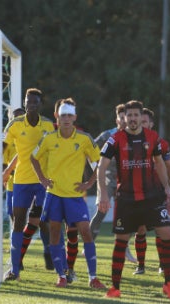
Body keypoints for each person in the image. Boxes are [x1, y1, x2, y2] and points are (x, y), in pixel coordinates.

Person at [98, 100, 170, 299]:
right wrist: (103, 193)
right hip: (126, 199)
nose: (133, 119)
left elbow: (160, 164)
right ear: (123, 118)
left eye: (136, 115)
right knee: (121, 241)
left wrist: (168, 189)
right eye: (129, 116)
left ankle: (168, 284)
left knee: (167, 233)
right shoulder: (115, 139)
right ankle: (115, 287)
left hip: (152, 197)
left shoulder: (153, 138)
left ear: (140, 118)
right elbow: (101, 167)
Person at [31, 98, 106, 288]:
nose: (66, 118)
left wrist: (89, 183)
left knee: (86, 232)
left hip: (74, 196)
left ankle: (93, 278)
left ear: (75, 117)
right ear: (57, 117)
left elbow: (100, 163)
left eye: (69, 115)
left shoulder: (84, 138)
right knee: (55, 234)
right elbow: (33, 157)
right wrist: (41, 178)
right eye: (63, 115)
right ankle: (61, 276)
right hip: (54, 194)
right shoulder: (48, 138)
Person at [2, 88, 55, 281]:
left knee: (44, 220)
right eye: (28, 101)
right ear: (25, 103)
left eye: (35, 102)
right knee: (18, 222)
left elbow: (56, 149)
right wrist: (0, 169)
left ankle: (53, 257)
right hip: (21, 181)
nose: (31, 104)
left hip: (43, 181)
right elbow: (3, 146)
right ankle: (14, 269)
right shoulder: (14, 124)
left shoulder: (49, 125)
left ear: (40, 105)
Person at [133, 107, 170, 275]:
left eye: (145, 121)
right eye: (140, 121)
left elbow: (169, 167)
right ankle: (141, 265)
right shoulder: (130, 142)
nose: (142, 124)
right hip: (137, 193)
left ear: (151, 124)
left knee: (162, 228)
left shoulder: (161, 143)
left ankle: (162, 264)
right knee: (140, 229)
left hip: (157, 192)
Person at [89, 104, 138, 264]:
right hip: (108, 179)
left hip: (126, 181)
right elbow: (89, 149)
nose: (125, 120)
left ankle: (125, 249)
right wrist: (95, 167)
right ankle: (88, 244)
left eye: (127, 117)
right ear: (116, 118)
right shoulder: (107, 135)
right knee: (101, 211)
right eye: (122, 117)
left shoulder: (133, 135)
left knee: (130, 217)